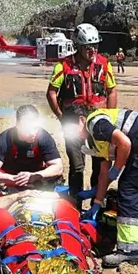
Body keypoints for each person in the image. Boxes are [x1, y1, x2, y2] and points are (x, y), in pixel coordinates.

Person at [63, 104, 138, 267]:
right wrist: (97, 203)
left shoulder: (96, 125)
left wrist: (117, 169)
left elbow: (125, 143)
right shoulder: (94, 139)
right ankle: (128, 248)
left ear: (81, 119)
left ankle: (129, 251)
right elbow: (103, 173)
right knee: (127, 192)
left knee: (129, 194)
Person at [46, 23, 118, 204]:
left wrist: (110, 117)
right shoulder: (63, 66)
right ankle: (75, 205)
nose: (92, 50)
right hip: (72, 122)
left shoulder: (104, 65)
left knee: (99, 166)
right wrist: (61, 116)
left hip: (98, 124)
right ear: (78, 46)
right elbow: (51, 93)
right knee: (77, 166)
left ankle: (96, 202)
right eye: (88, 47)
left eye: (95, 46)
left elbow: (112, 91)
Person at [0, 105, 63, 191]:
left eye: (35, 128)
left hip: (35, 180)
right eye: (27, 129)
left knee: (56, 178)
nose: (32, 133)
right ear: (18, 125)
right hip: (10, 180)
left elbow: (58, 167)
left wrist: (33, 176)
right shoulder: (5, 139)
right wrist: (15, 179)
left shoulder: (43, 137)